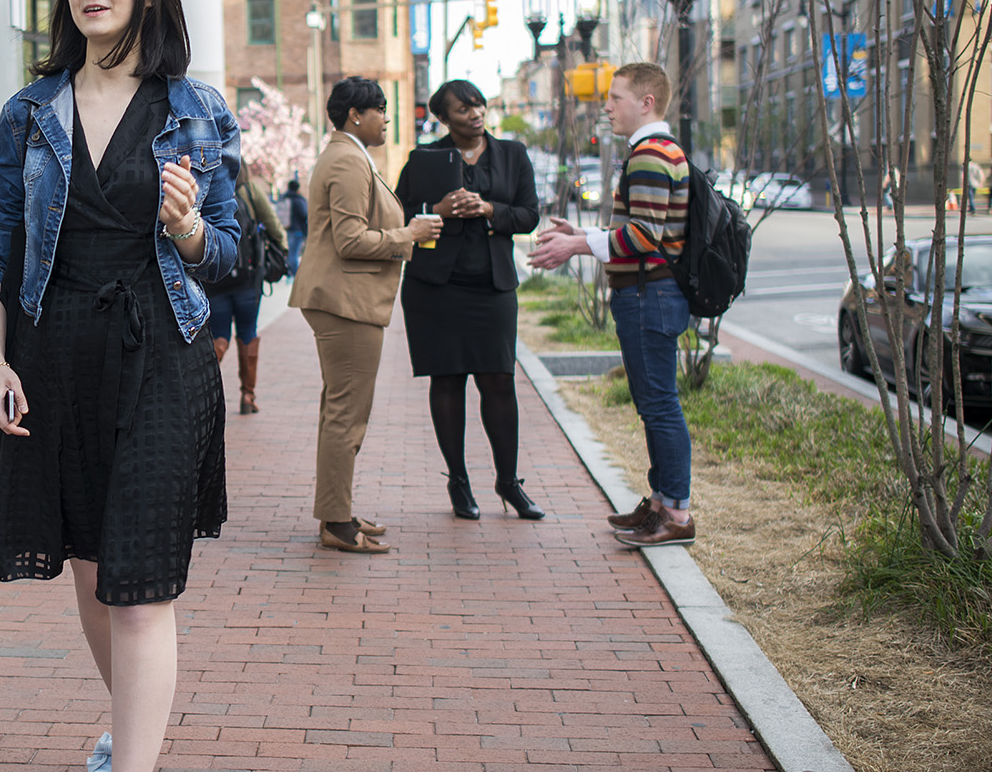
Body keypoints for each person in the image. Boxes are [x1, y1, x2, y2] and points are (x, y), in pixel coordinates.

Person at [0, 0, 240, 772]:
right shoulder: (29, 111)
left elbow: (232, 260)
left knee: (138, 590)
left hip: (161, 359)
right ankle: (125, 721)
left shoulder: (193, 110)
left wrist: (186, 227)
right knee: (86, 570)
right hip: (52, 358)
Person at [529, 61, 694, 548]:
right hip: (650, 291)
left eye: (615, 98)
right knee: (653, 403)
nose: (606, 107)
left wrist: (577, 247)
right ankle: (663, 503)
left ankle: (677, 515)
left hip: (649, 292)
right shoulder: (657, 150)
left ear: (646, 102)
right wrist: (586, 235)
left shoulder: (649, 154)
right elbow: (643, 230)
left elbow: (645, 235)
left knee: (660, 406)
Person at [288, 76, 443, 553]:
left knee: (341, 411)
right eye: (381, 109)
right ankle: (336, 523)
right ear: (357, 114)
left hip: (344, 300)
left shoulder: (347, 156)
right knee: (346, 415)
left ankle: (337, 510)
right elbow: (351, 240)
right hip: (346, 302)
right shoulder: (349, 161)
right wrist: (409, 235)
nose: (387, 118)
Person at [394, 80, 544, 521]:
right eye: (463, 109)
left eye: (478, 104)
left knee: (499, 380)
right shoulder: (424, 159)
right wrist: (437, 209)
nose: (475, 113)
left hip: (493, 287)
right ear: (443, 118)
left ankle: (508, 482)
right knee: (448, 381)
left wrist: (490, 210)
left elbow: (529, 214)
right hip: (436, 287)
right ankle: (458, 482)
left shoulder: (512, 154)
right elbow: (398, 212)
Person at [208, 174, 286, 413]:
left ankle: (206, 393)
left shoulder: (206, 183)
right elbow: (273, 225)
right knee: (248, 333)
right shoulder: (249, 190)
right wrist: (282, 249)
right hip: (247, 278)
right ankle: (248, 396)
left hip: (215, 280)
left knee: (218, 336)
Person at [282, 178, 309, 275]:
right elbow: (304, 214)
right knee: (294, 253)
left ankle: (289, 271)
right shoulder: (298, 200)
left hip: (286, 228)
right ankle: (293, 273)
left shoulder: (284, 198)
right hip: (297, 230)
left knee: (290, 252)